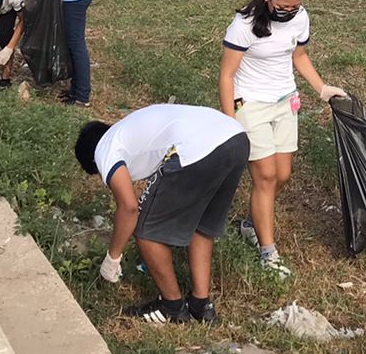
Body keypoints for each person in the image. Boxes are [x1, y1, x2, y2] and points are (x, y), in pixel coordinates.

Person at [221, 0, 346, 278]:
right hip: (249, 103)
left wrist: (322, 88)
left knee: (283, 174)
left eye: (295, 7)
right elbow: (226, 75)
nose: (289, 12)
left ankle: (251, 223)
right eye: (283, 7)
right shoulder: (244, 24)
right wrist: (229, 120)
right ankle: (268, 251)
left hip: (284, 101)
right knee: (265, 176)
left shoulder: (300, 18)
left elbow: (299, 56)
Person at [75, 105, 250, 324]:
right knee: (201, 224)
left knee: (147, 230)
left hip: (196, 149)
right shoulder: (131, 129)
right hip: (236, 138)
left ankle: (172, 306)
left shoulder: (104, 148)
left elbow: (129, 207)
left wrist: (113, 257)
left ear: (93, 162)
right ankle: (201, 304)